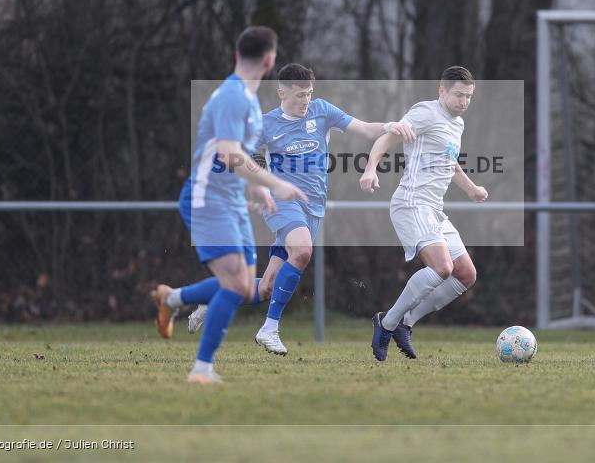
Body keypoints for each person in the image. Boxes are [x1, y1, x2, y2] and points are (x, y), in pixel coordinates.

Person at [187, 63, 415, 355]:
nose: (305, 100)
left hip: (313, 208)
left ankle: (214, 296)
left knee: (267, 287)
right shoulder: (265, 124)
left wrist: (389, 126)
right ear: (282, 93)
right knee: (303, 251)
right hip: (282, 202)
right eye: (299, 95)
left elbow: (366, 129)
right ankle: (269, 329)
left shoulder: (322, 110)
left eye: (309, 94)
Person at [151, 26, 307, 385]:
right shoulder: (233, 97)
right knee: (236, 285)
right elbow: (228, 154)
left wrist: (256, 188)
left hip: (232, 201)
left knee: (245, 287)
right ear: (270, 60)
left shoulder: (249, 101)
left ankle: (172, 298)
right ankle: (201, 370)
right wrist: (275, 184)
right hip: (207, 199)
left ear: (237, 54)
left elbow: (238, 158)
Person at [359, 66, 488, 361]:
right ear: (441, 91)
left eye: (468, 96)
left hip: (434, 209)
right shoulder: (425, 113)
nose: (464, 102)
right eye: (458, 95)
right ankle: (387, 322)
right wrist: (370, 169)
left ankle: (406, 323)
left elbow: (450, 163)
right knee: (442, 268)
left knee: (465, 274)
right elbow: (387, 137)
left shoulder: (458, 124)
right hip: (412, 203)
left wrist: (471, 189)